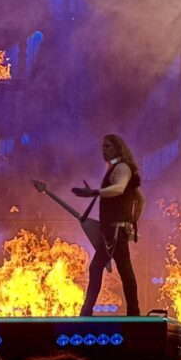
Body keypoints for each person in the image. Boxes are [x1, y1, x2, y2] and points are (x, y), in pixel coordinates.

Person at [72, 134, 144, 316]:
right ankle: (130, 311)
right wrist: (133, 221)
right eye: (102, 147)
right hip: (114, 229)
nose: (103, 150)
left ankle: (90, 312)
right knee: (115, 268)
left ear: (118, 148)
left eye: (108, 146)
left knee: (118, 268)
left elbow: (119, 188)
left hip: (115, 230)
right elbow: (141, 200)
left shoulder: (122, 168)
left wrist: (94, 192)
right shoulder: (119, 168)